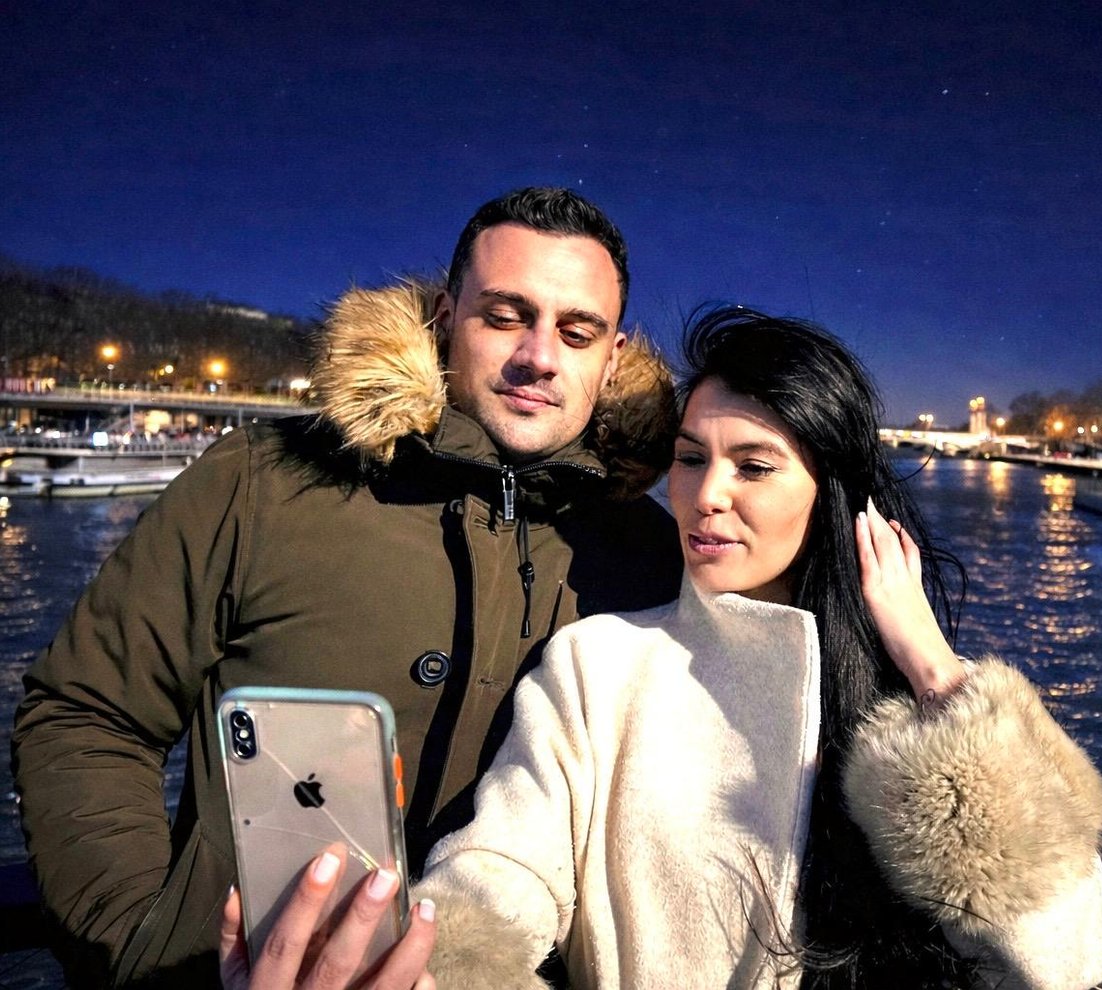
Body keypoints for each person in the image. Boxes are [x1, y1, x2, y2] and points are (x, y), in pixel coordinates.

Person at [11, 187, 683, 988]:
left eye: (577, 332)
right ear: (447, 318)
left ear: (611, 357)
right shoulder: (263, 482)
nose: (538, 356)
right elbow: (87, 714)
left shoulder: (653, 551)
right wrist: (146, 953)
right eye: (505, 317)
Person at [413, 306, 1102, 989]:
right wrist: (444, 956)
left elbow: (1061, 962)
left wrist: (931, 664)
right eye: (691, 458)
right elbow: (504, 866)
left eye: (752, 466)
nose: (706, 495)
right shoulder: (598, 665)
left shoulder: (920, 705)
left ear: (828, 491)